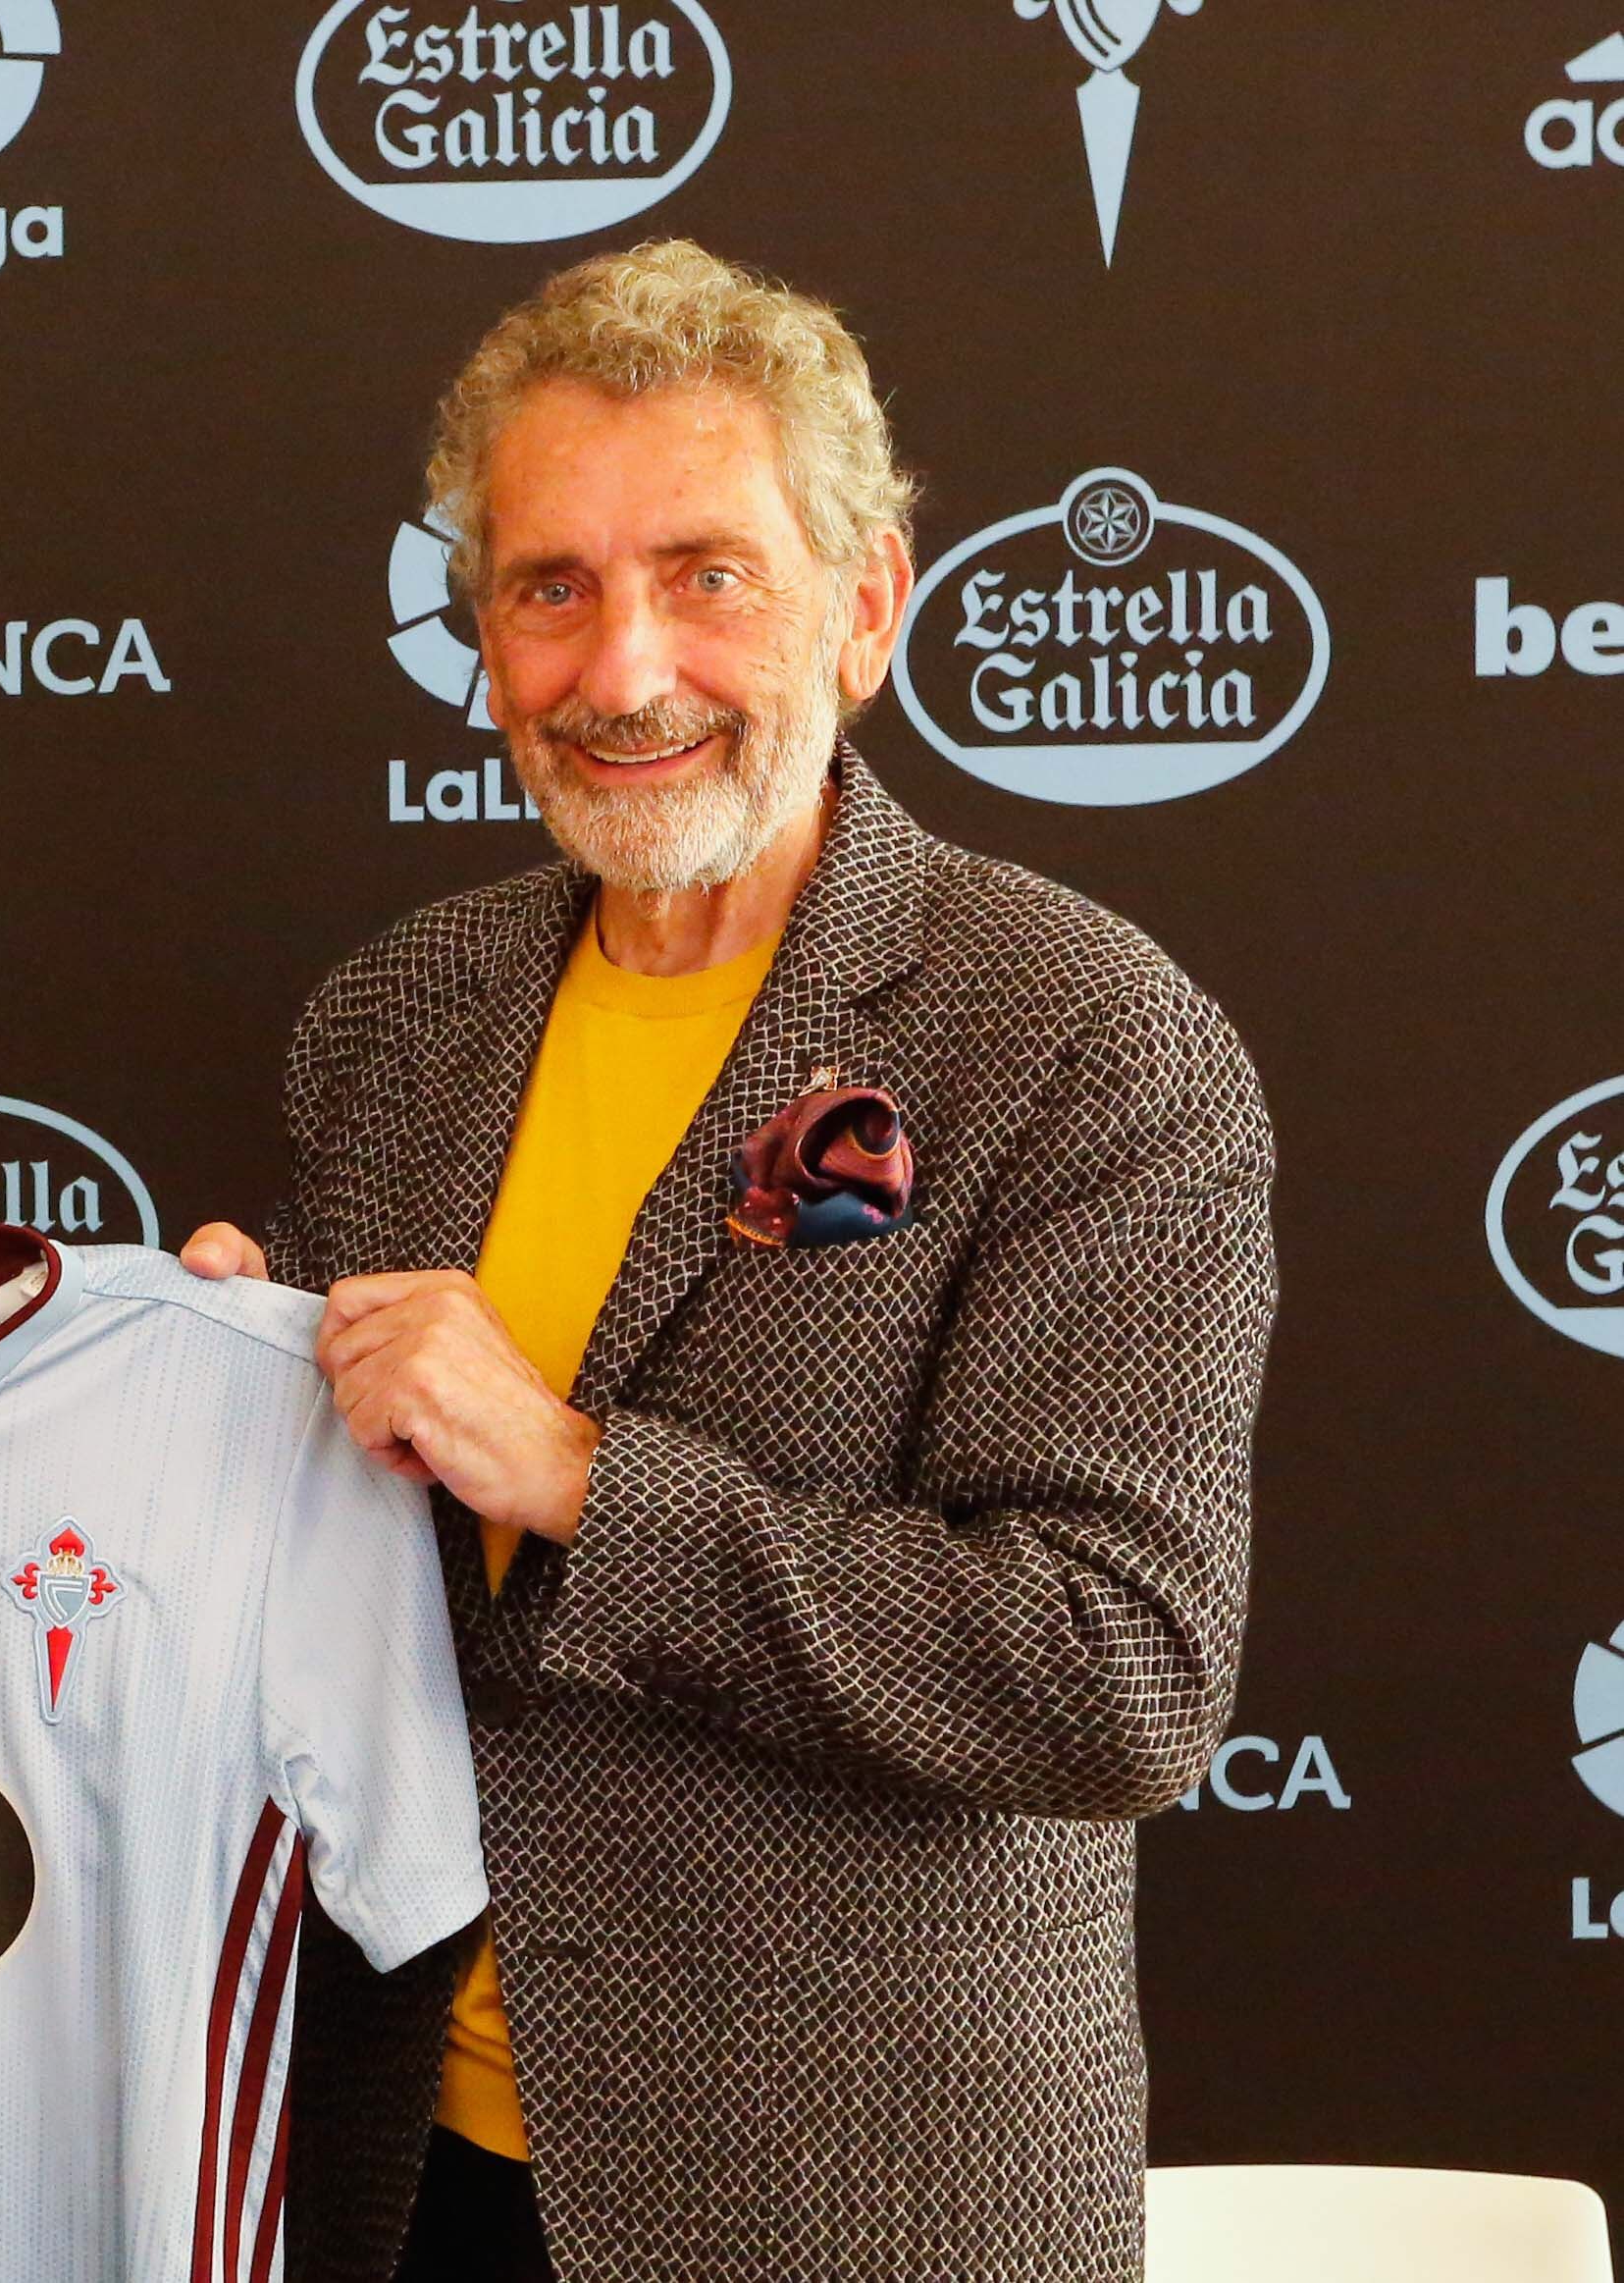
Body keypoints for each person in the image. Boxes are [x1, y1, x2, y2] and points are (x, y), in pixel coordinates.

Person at [180, 240, 1276, 2281]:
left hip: (850, 2196)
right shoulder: (398, 1017)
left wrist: (587, 1479)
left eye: (707, 573)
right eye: (551, 586)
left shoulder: (1079, 1032)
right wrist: (218, 1381)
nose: (622, 672)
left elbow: (1115, 1664)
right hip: (396, 2162)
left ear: (865, 604)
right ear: (483, 632)